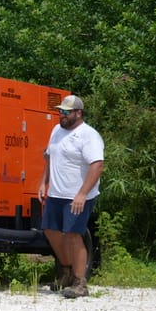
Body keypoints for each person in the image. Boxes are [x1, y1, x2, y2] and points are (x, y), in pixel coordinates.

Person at [38, 95, 104, 299]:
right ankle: (65, 272)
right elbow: (49, 156)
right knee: (50, 230)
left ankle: (80, 282)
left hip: (77, 196)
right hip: (56, 194)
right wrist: (43, 182)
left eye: (66, 112)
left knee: (73, 235)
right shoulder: (57, 131)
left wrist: (82, 194)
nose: (62, 115)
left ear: (78, 113)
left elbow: (97, 165)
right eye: (60, 111)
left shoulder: (88, 135)